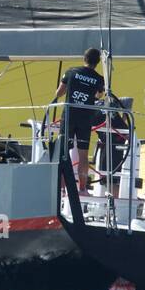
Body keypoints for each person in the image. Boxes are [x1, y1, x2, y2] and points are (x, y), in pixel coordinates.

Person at [53, 48, 105, 190]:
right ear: (98, 62)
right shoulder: (99, 78)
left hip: (69, 116)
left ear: (84, 58)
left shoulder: (71, 71)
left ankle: (62, 189)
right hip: (85, 118)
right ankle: (82, 189)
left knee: (64, 152)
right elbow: (100, 95)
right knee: (83, 155)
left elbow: (59, 93)